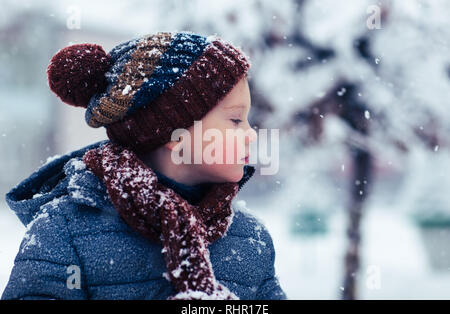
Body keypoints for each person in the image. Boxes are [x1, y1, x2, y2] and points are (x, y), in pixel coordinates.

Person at [2, 31, 286, 300]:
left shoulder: (249, 237)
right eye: (236, 120)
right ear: (176, 132)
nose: (251, 134)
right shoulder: (65, 228)